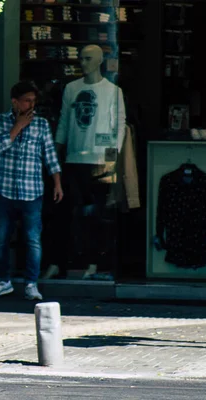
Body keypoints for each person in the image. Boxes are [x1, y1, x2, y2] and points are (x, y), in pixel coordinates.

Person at [0, 81, 63, 301]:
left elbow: (50, 156)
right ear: (15, 102)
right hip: (5, 189)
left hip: (32, 190)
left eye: (33, 100)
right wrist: (17, 126)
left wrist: (57, 183)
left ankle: (31, 283)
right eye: (27, 100)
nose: (31, 105)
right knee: (0, 238)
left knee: (32, 239)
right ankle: (3, 281)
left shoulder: (41, 125)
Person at [54, 44, 126, 280]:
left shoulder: (113, 91)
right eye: (81, 58)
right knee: (71, 216)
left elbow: (118, 128)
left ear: (99, 61)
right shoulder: (71, 89)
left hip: (100, 162)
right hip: (74, 160)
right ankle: (70, 262)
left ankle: (95, 263)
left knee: (97, 217)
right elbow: (64, 121)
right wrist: (58, 152)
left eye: (87, 59)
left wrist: (111, 162)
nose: (82, 63)